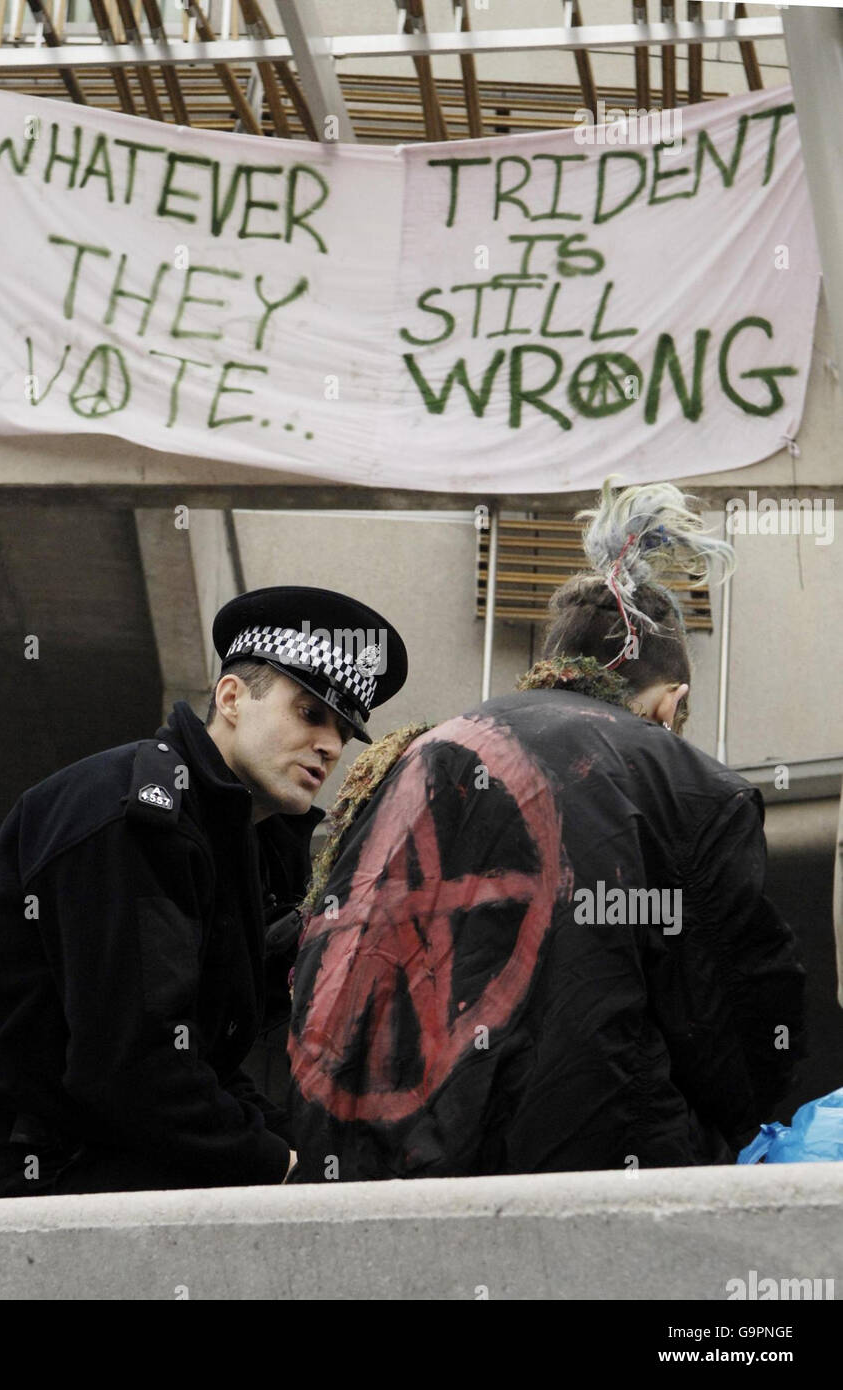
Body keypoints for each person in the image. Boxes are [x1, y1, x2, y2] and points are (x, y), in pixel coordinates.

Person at [286, 480, 806, 1181]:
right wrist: (739, 1127)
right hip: (591, 1171)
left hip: (380, 1175)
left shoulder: (407, 757)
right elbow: (735, 1007)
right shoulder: (688, 785)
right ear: (673, 700)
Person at [0, 585, 407, 1199]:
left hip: (75, 1155)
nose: (330, 745)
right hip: (5, 1167)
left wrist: (311, 1158)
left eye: (343, 731)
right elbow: (131, 1066)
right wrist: (280, 1164)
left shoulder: (238, 841)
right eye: (310, 713)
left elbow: (197, 1066)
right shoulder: (132, 815)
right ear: (232, 697)